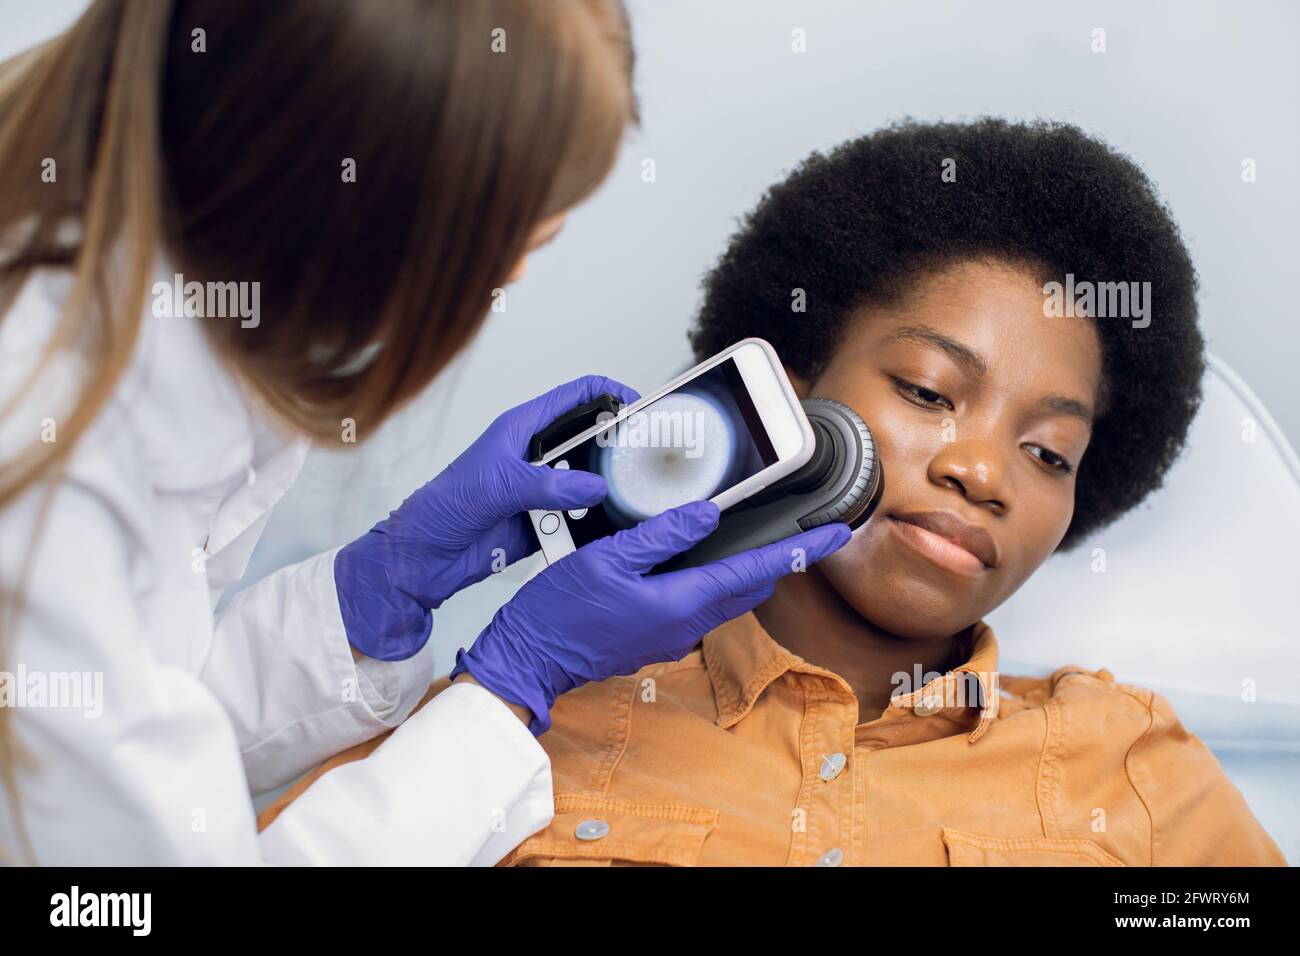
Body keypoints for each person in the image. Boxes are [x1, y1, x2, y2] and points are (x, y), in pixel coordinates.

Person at [265, 119, 1287, 866]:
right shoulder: (505, 733)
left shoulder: (1130, 767)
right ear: (791, 387)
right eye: (930, 391)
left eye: (1050, 452)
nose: (983, 471)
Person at [0, 0, 849, 865]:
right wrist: (511, 687)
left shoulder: (145, 321)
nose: (514, 275)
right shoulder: (49, 467)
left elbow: (132, 725)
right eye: (516, 239)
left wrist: (373, 596)